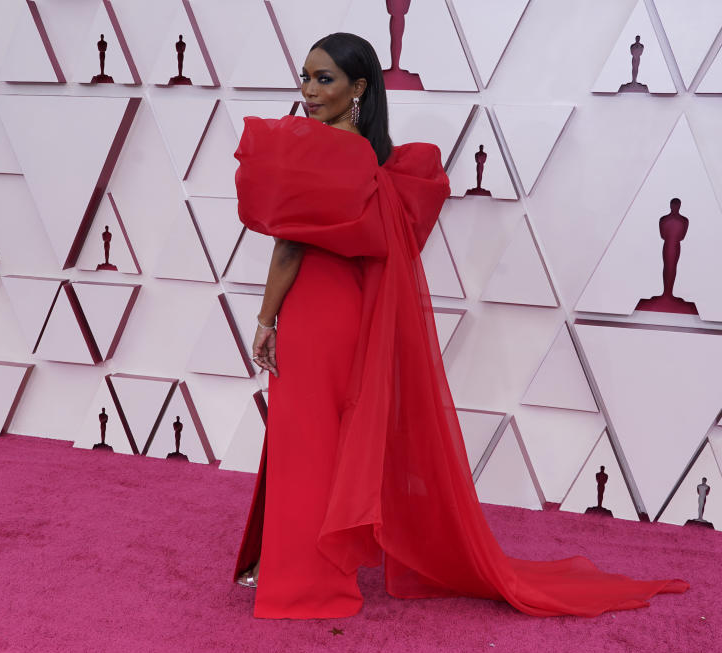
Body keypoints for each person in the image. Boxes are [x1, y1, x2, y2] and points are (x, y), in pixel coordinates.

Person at [231, 32, 689, 619]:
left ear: (358, 87)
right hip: (353, 316)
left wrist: (266, 320)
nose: (309, 89)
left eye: (325, 79)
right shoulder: (377, 163)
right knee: (327, 442)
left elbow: (288, 251)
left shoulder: (312, 152)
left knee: (305, 443)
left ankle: (299, 576)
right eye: (306, 76)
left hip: (313, 316)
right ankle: (297, 566)